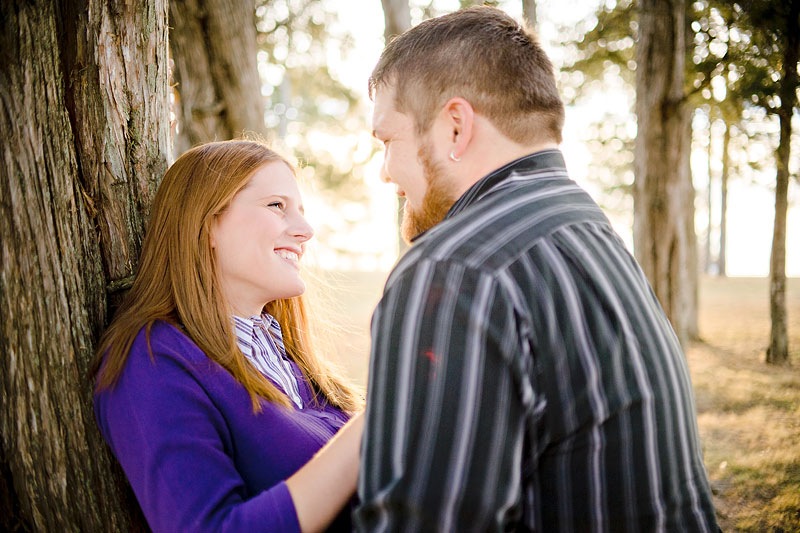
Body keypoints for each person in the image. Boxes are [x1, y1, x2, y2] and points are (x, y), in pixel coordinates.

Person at [356, 6, 719, 531]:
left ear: (455, 127)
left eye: (388, 141)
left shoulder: (456, 270)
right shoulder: (583, 227)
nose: (388, 173)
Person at [92, 139, 364, 532]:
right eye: (277, 206)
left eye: (301, 211)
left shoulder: (287, 357)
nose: (305, 231)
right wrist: (365, 433)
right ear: (208, 225)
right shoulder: (153, 360)